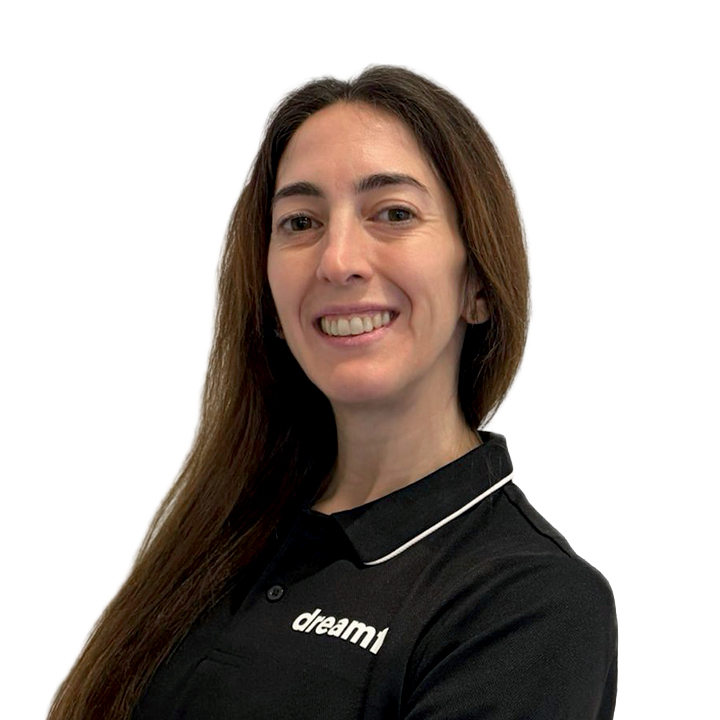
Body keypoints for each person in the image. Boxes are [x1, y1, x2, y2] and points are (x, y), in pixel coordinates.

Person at [48, 65, 617, 720]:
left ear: (479, 285)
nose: (337, 260)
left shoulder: (531, 603)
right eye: (300, 222)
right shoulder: (221, 532)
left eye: (394, 213)